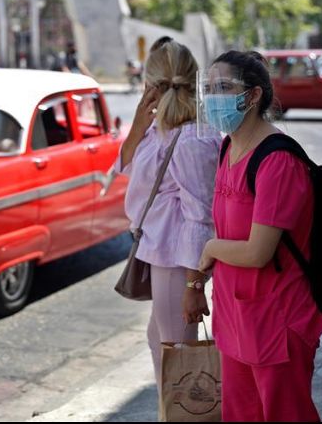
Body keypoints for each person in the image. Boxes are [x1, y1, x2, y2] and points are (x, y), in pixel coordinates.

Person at [195, 50, 322, 422]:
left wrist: (209, 249)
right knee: (240, 414)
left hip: (277, 319)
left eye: (222, 87)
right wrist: (197, 282)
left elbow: (257, 252)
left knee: (285, 414)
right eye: (208, 88)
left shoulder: (277, 160)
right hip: (234, 313)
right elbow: (227, 228)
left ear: (252, 96)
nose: (211, 97)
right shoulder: (227, 147)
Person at [113, 36, 221, 408]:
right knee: (163, 348)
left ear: (153, 85)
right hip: (161, 253)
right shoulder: (159, 131)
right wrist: (138, 126)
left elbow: (200, 216)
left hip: (177, 259)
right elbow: (123, 166)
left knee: (180, 361)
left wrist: (195, 283)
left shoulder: (191, 139)